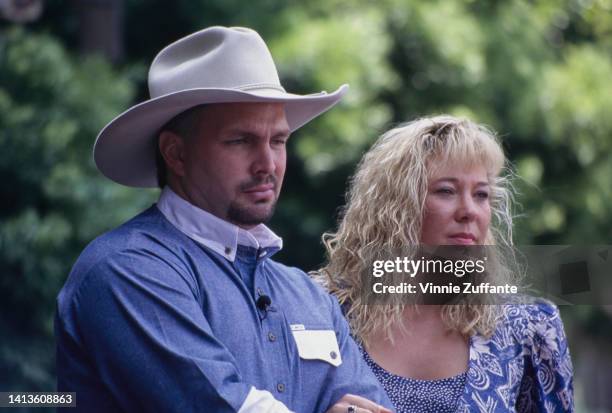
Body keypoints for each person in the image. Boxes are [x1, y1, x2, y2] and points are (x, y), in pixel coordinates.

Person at [55, 26, 393, 413]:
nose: (268, 164)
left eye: (278, 141)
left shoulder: (309, 297)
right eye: (240, 141)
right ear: (176, 154)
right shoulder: (124, 271)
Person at [315, 115, 574, 412]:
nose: (469, 211)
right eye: (446, 191)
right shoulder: (321, 309)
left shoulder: (529, 325)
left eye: (481, 195)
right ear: (398, 205)